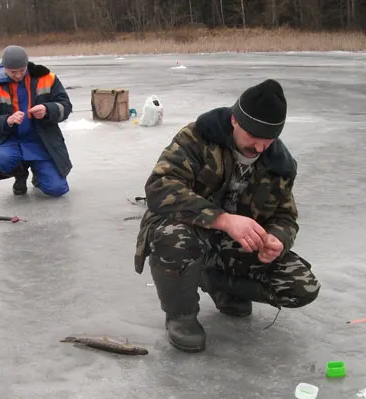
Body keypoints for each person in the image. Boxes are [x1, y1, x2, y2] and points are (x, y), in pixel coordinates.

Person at [134, 79, 321, 353]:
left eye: (268, 141)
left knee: (301, 285)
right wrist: (222, 219)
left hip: (234, 245)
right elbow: (159, 187)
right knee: (173, 237)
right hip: (188, 232)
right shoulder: (197, 138)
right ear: (235, 120)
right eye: (253, 138)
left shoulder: (280, 164)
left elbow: (286, 217)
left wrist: (277, 239)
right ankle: (181, 315)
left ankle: (215, 282)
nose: (259, 148)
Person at [0, 45, 73, 196]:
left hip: (43, 140)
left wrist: (47, 110)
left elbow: (66, 106)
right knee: (2, 161)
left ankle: (38, 175)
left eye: (22, 70)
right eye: (13, 72)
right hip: (12, 141)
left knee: (57, 189)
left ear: (27, 64)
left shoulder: (47, 78)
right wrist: (6, 121)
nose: (18, 75)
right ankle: (20, 174)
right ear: (4, 68)